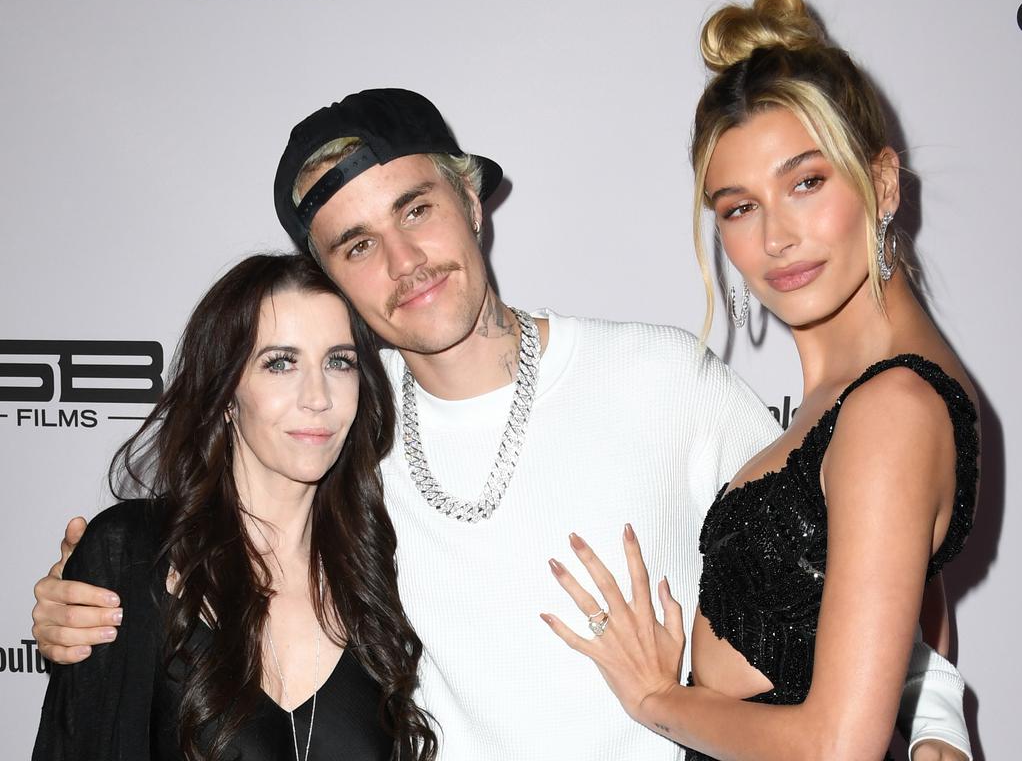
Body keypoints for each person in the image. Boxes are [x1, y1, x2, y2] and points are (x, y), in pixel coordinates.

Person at [31, 88, 970, 759]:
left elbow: (843, 572)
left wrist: (935, 728)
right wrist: (91, 597)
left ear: (471, 201)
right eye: (357, 245)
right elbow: (213, 548)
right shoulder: (346, 428)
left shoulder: (659, 379)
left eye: (418, 209)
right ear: (333, 281)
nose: (405, 261)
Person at [541, 0, 978, 760]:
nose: (776, 236)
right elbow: (894, 582)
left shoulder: (893, 405)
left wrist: (658, 700)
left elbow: (835, 746)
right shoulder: (862, 393)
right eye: (739, 208)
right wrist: (934, 698)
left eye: (806, 182)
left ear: (881, 185)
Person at [32, 254, 437, 761]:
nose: (318, 397)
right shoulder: (134, 554)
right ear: (226, 392)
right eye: (280, 363)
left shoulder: (384, 568)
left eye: (339, 361)